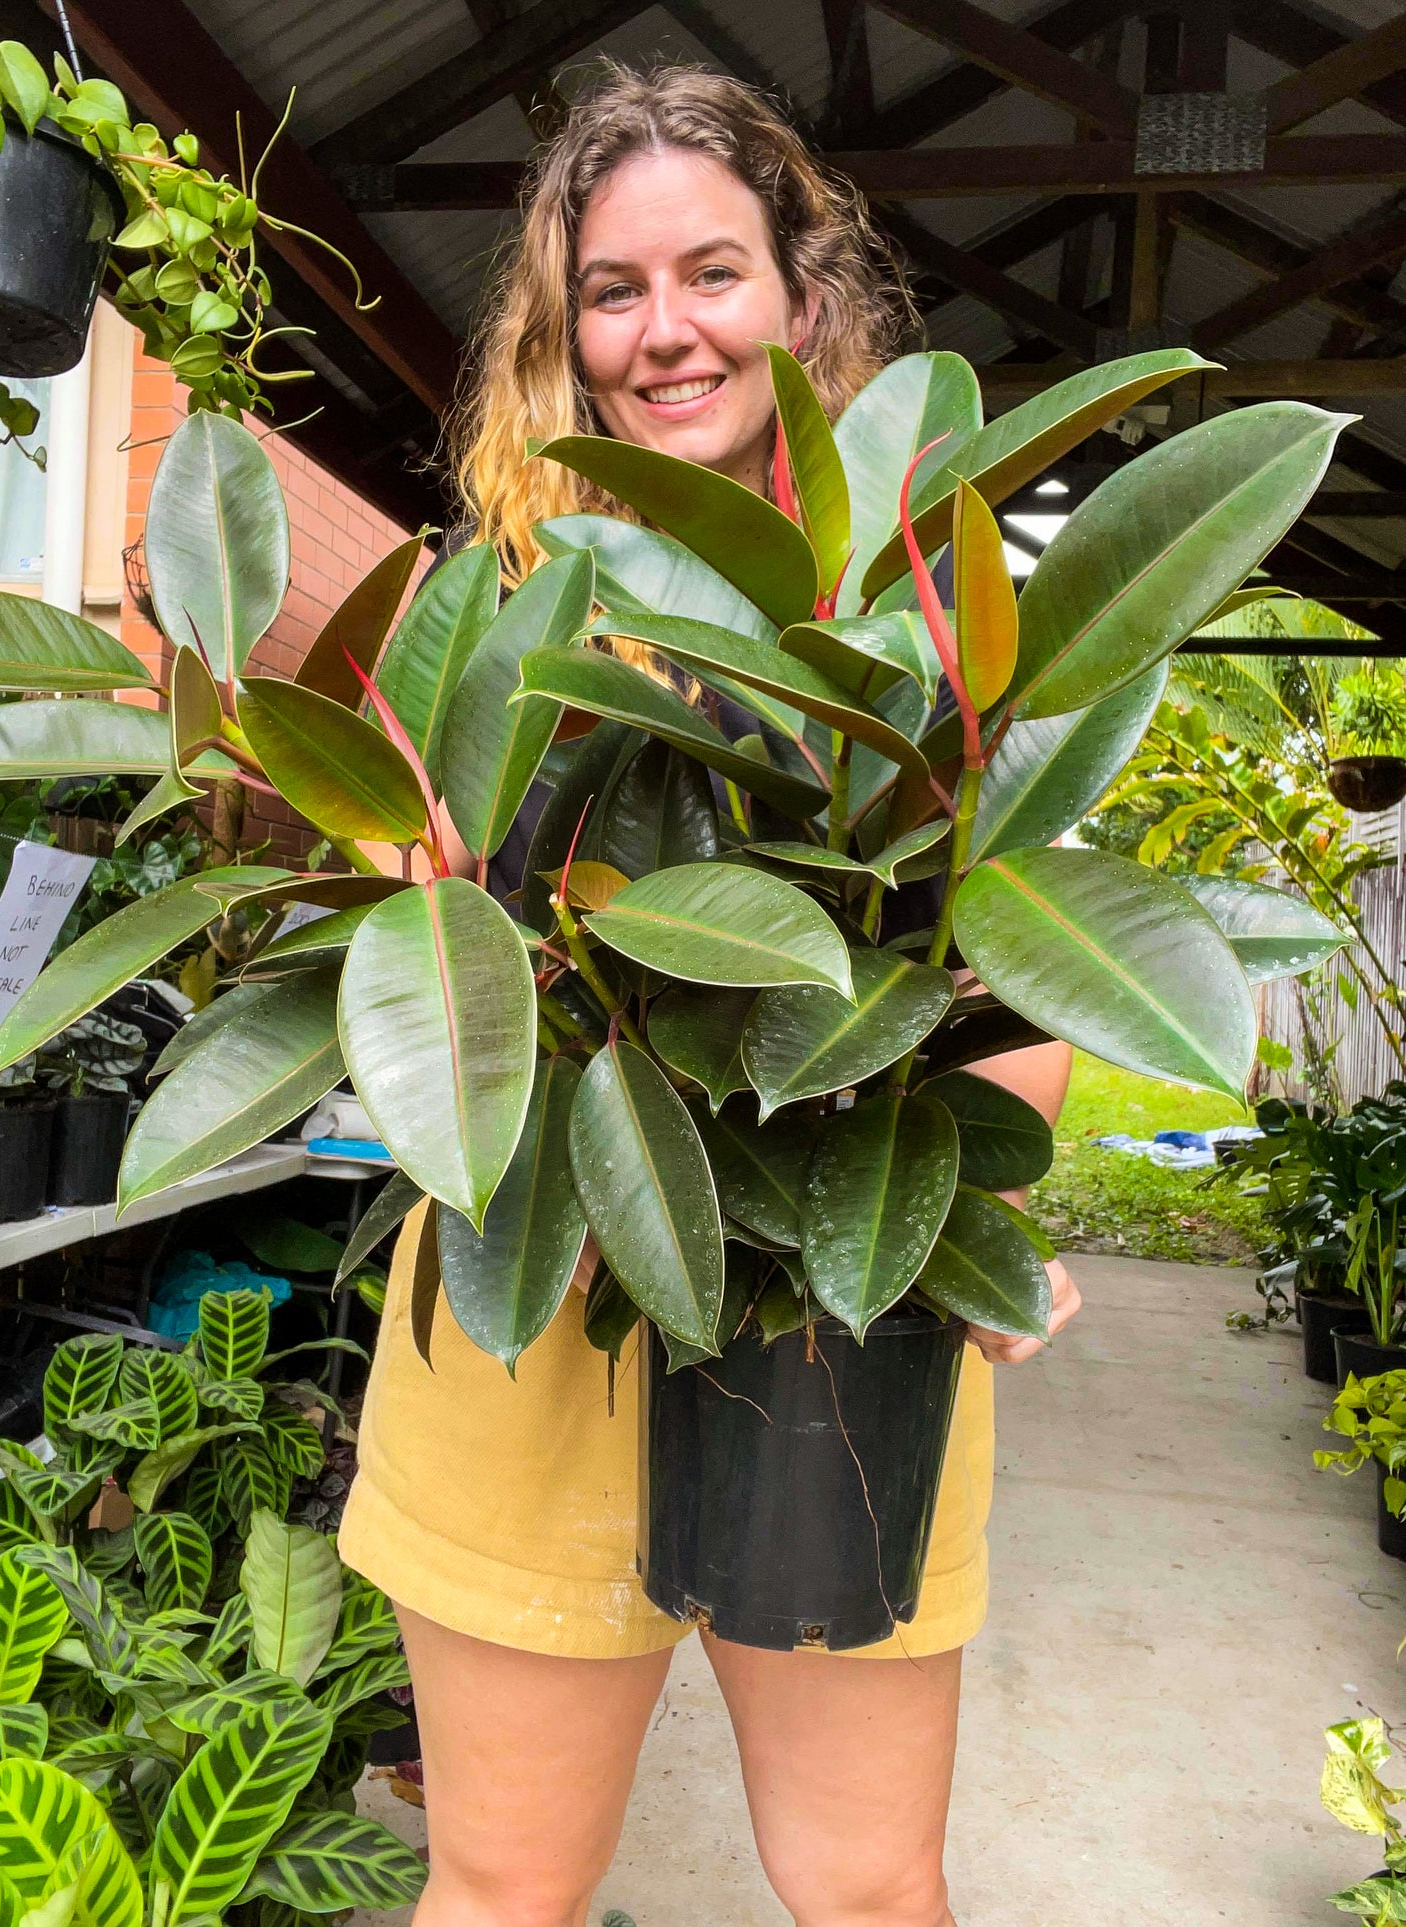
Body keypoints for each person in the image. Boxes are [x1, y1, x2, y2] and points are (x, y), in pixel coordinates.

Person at [338, 63, 1080, 1927]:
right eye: (610, 289)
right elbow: (418, 926)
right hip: (538, 1282)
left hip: (833, 1308)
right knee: (504, 1883)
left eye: (711, 272)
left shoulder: (920, 608)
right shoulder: (490, 604)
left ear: (802, 297)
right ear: (563, 330)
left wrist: (974, 1205)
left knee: (868, 1887)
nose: (663, 329)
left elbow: (1024, 960)